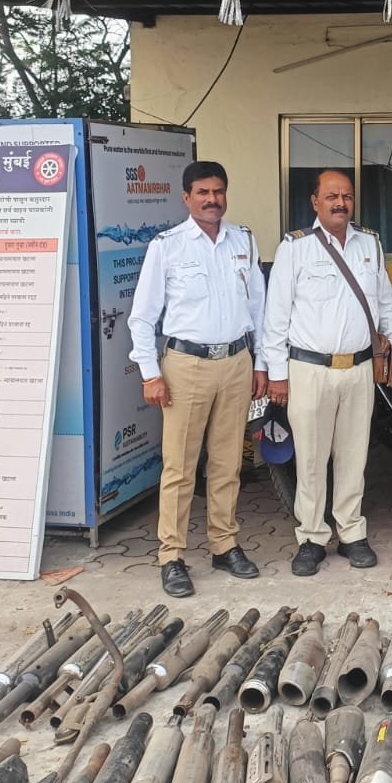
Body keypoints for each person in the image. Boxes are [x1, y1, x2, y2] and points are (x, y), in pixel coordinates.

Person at [128, 160, 266, 598]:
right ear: (186, 197)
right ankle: (171, 555)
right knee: (180, 467)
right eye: (203, 192)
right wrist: (150, 373)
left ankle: (224, 545)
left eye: (218, 191)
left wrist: (261, 363)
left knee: (227, 463)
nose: (212, 199)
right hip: (186, 366)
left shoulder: (243, 240)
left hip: (236, 361)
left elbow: (259, 308)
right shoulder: (167, 246)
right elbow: (142, 317)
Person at [263, 169, 392, 577]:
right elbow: (276, 316)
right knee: (310, 459)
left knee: (353, 456)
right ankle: (311, 538)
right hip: (309, 370)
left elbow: (384, 305)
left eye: (346, 196)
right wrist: (277, 374)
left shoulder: (369, 243)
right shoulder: (295, 247)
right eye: (331, 196)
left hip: (359, 368)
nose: (340, 203)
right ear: (315, 202)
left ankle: (351, 532)